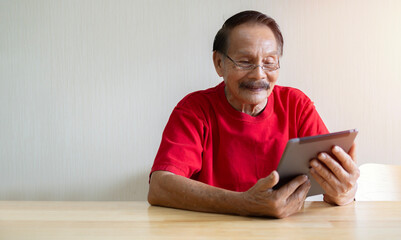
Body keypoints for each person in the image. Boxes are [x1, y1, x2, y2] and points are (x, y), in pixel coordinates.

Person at [148, 10, 359, 218]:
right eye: (245, 62)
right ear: (219, 63)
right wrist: (244, 204)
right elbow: (160, 186)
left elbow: (331, 185)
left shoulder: (296, 105)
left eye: (269, 62)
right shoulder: (195, 109)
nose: (259, 74)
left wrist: (344, 192)